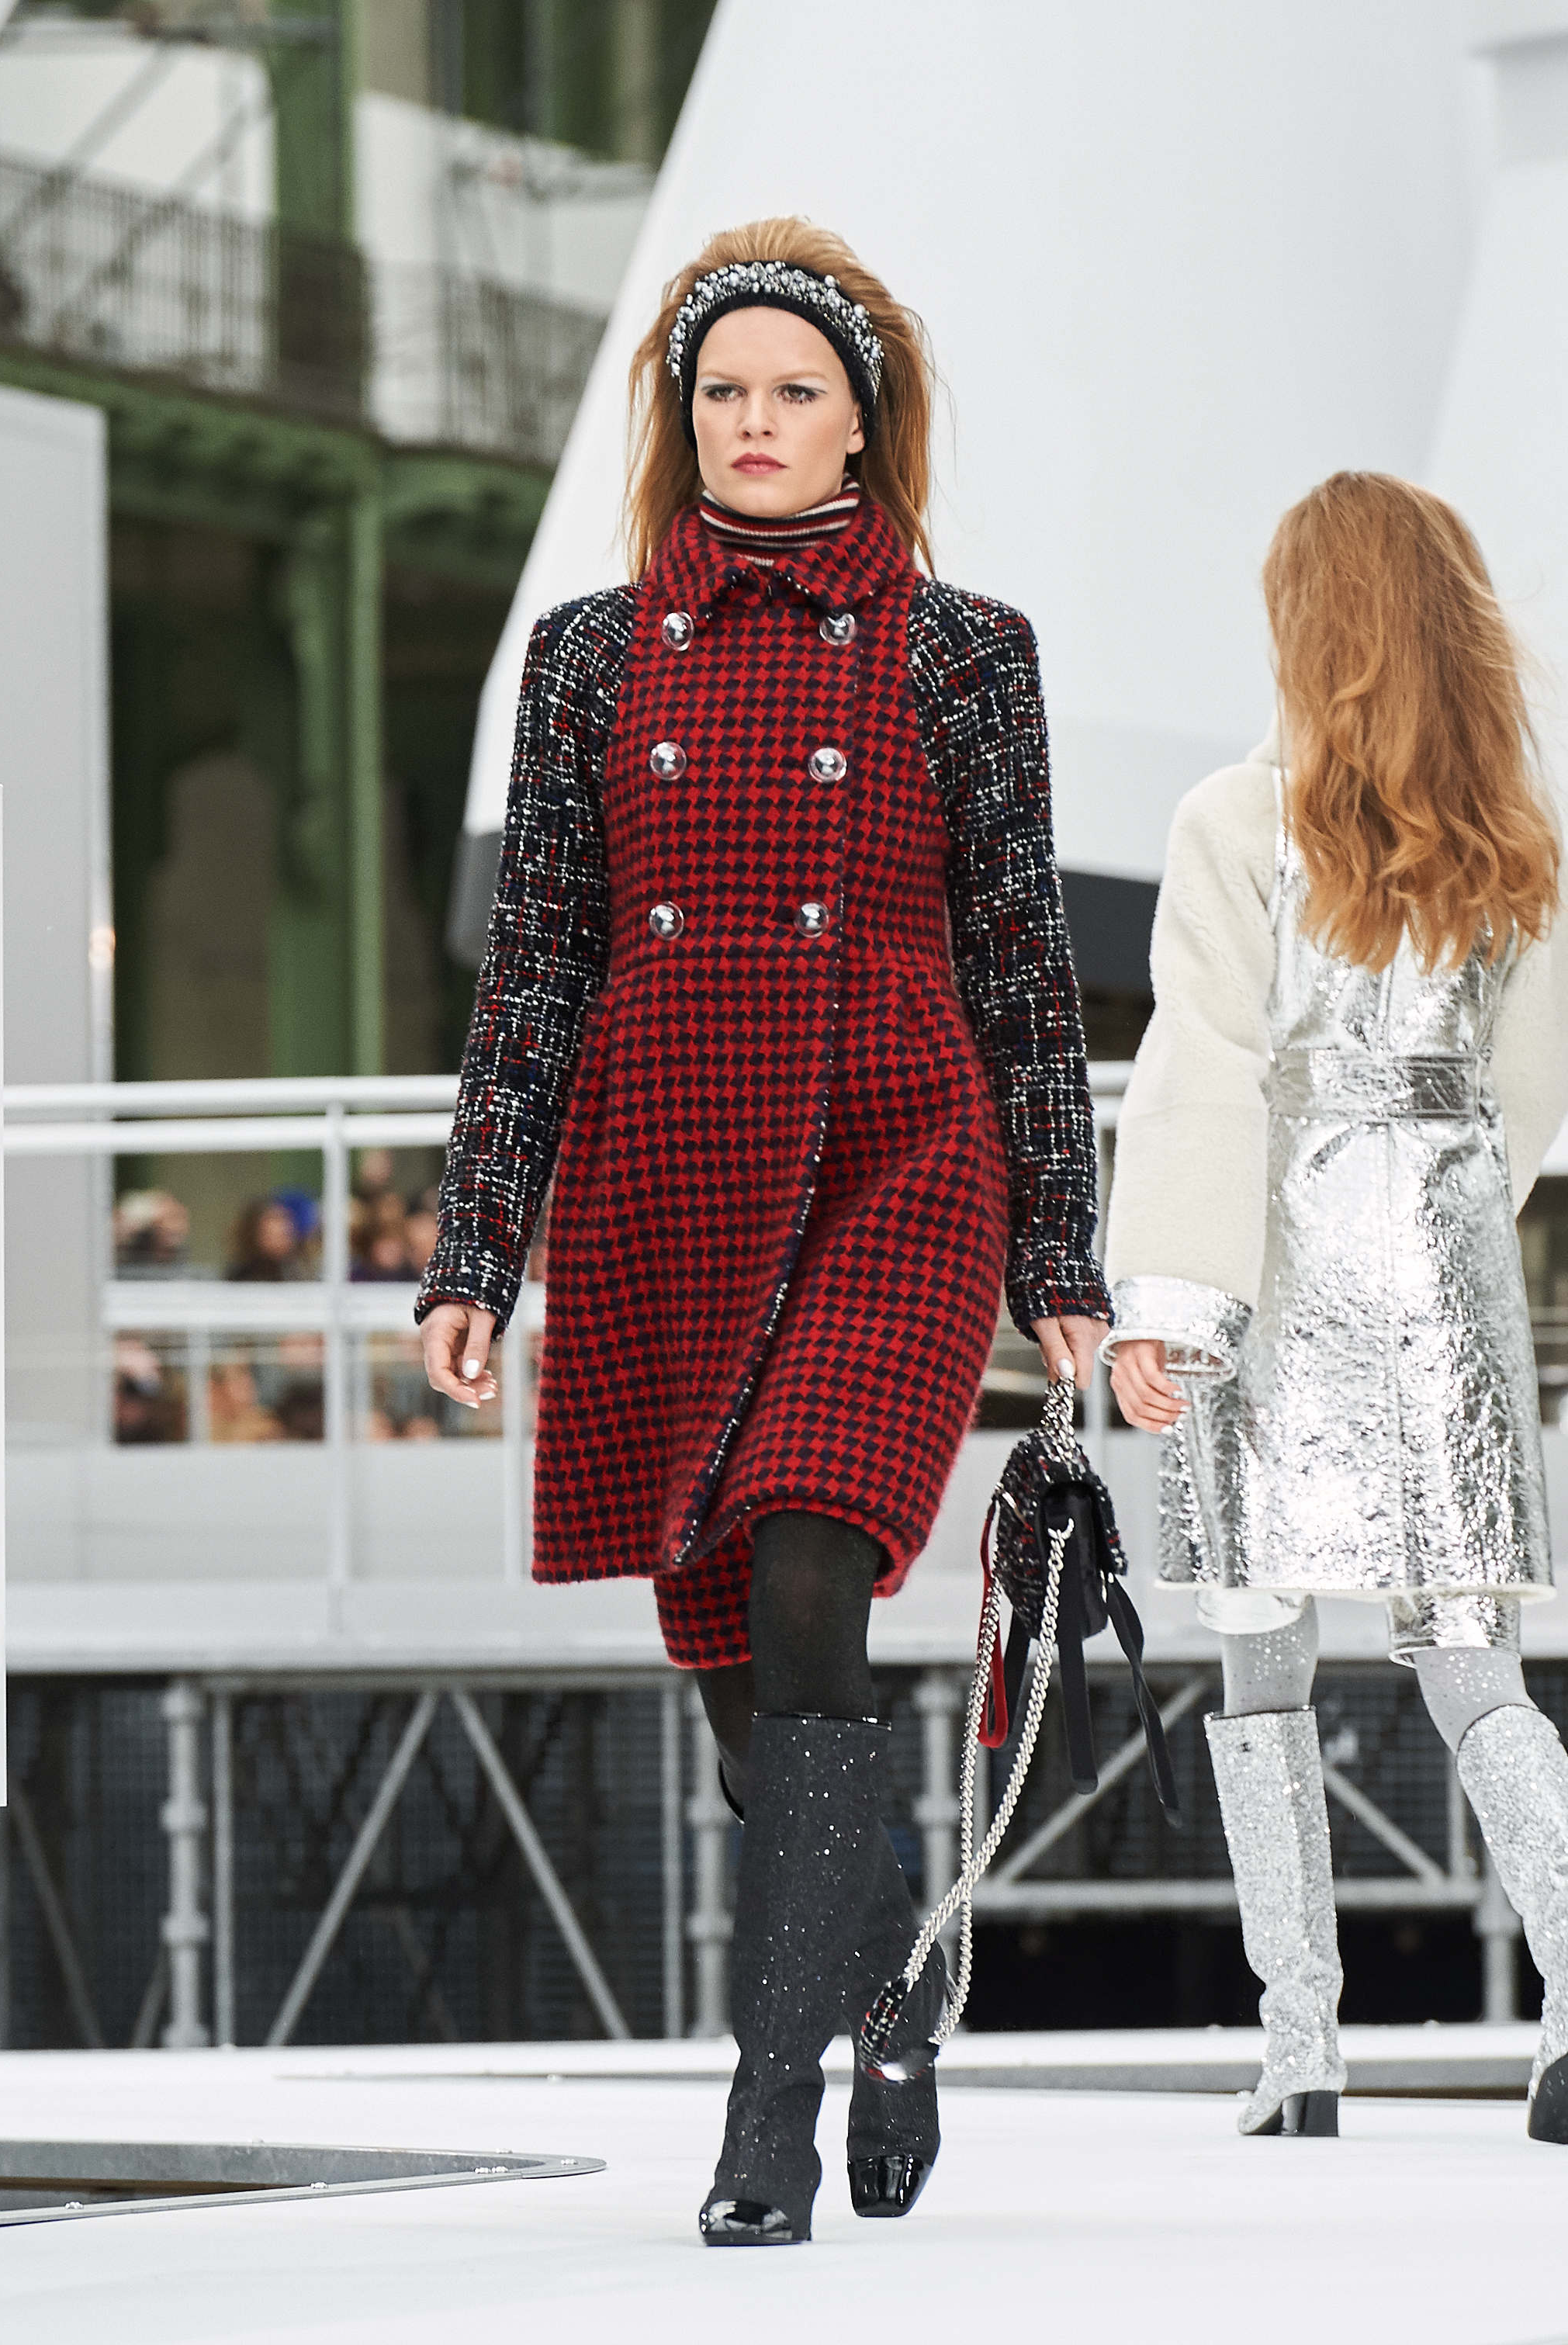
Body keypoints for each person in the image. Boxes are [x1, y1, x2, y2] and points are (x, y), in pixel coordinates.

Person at [417, 218, 1109, 2240]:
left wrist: (1060, 1255)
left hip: (901, 1150)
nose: (754, 420)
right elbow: (538, 966)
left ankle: (767, 2107)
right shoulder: (588, 652)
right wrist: (476, 1249)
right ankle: (886, 1997)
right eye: (723, 391)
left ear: (861, 423)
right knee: (739, 1667)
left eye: (794, 390)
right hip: (663, 1167)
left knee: (813, 1569)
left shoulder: (964, 648)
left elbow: (1024, 969)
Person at [1104, 473, 1568, 2142]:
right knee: (1469, 1651)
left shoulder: (1235, 821)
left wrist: (1168, 1300)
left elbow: (1204, 1063)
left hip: (1274, 1250)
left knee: (1260, 1649)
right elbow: (1529, 1087)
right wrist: (1446, 1208)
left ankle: (1299, 2051)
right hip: (1441, 1256)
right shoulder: (1512, 841)